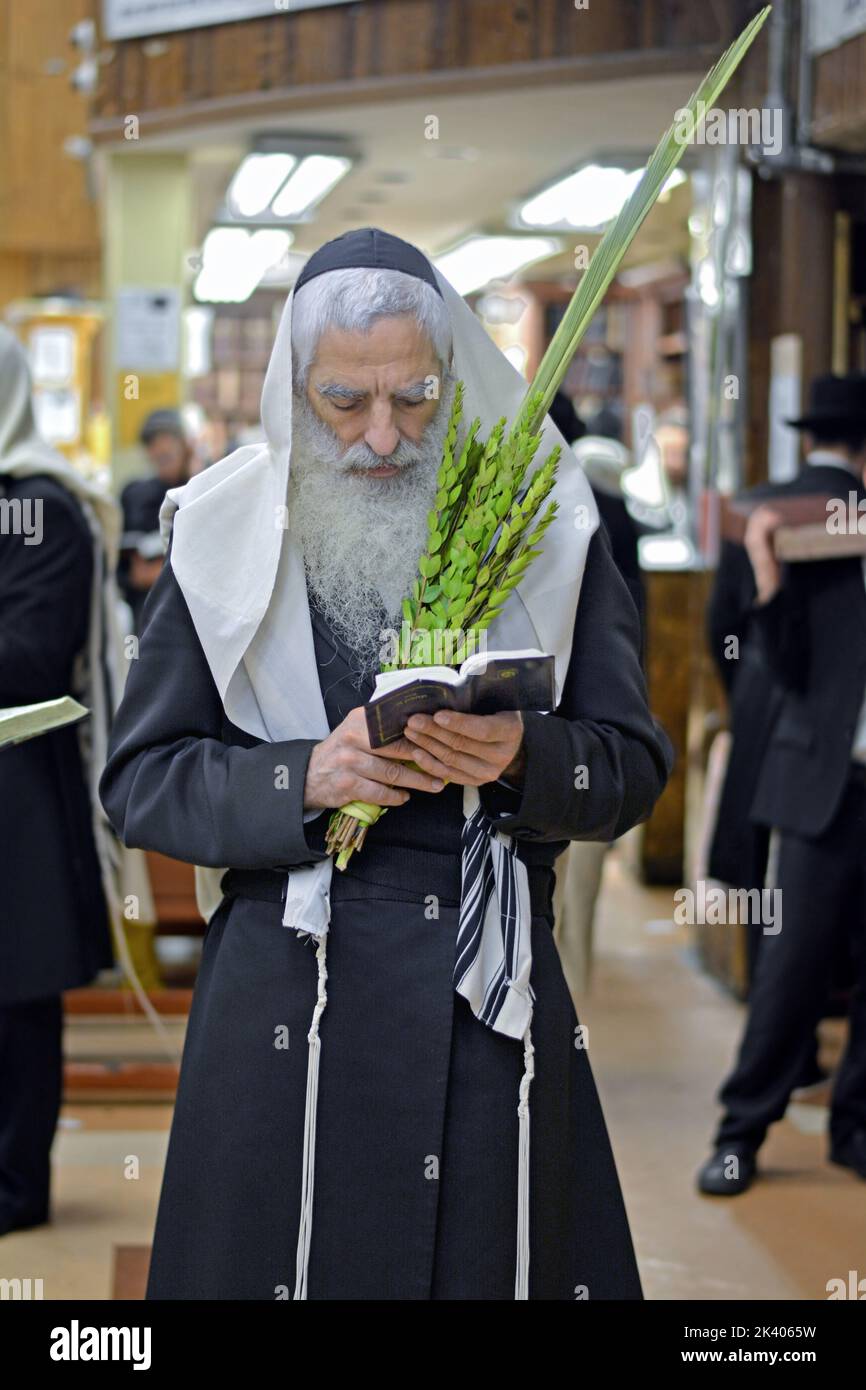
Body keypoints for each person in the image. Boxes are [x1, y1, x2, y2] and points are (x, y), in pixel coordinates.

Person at [100, 228, 672, 1300]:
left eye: (412, 400)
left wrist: (521, 755)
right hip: (286, 992)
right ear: (293, 391)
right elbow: (140, 781)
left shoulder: (546, 527)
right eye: (342, 403)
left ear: (449, 378)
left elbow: (630, 766)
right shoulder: (218, 535)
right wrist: (299, 779)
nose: (379, 438)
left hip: (480, 993)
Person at [698, 372, 866, 1196]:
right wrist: (768, 583)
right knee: (791, 967)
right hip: (822, 785)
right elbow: (789, 664)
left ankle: (856, 1128)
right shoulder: (816, 537)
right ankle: (740, 1132)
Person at [0, 327, 119, 1235]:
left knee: (14, 1001)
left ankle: (12, 1191)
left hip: (17, 794)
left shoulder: (42, 506)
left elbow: (30, 658)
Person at [119, 409, 193, 630]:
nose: (160, 448)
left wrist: (160, 574)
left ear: (184, 444)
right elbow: (122, 569)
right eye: (152, 443)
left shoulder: (202, 493)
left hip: (190, 629)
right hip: (146, 624)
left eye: (167, 439)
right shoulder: (135, 496)